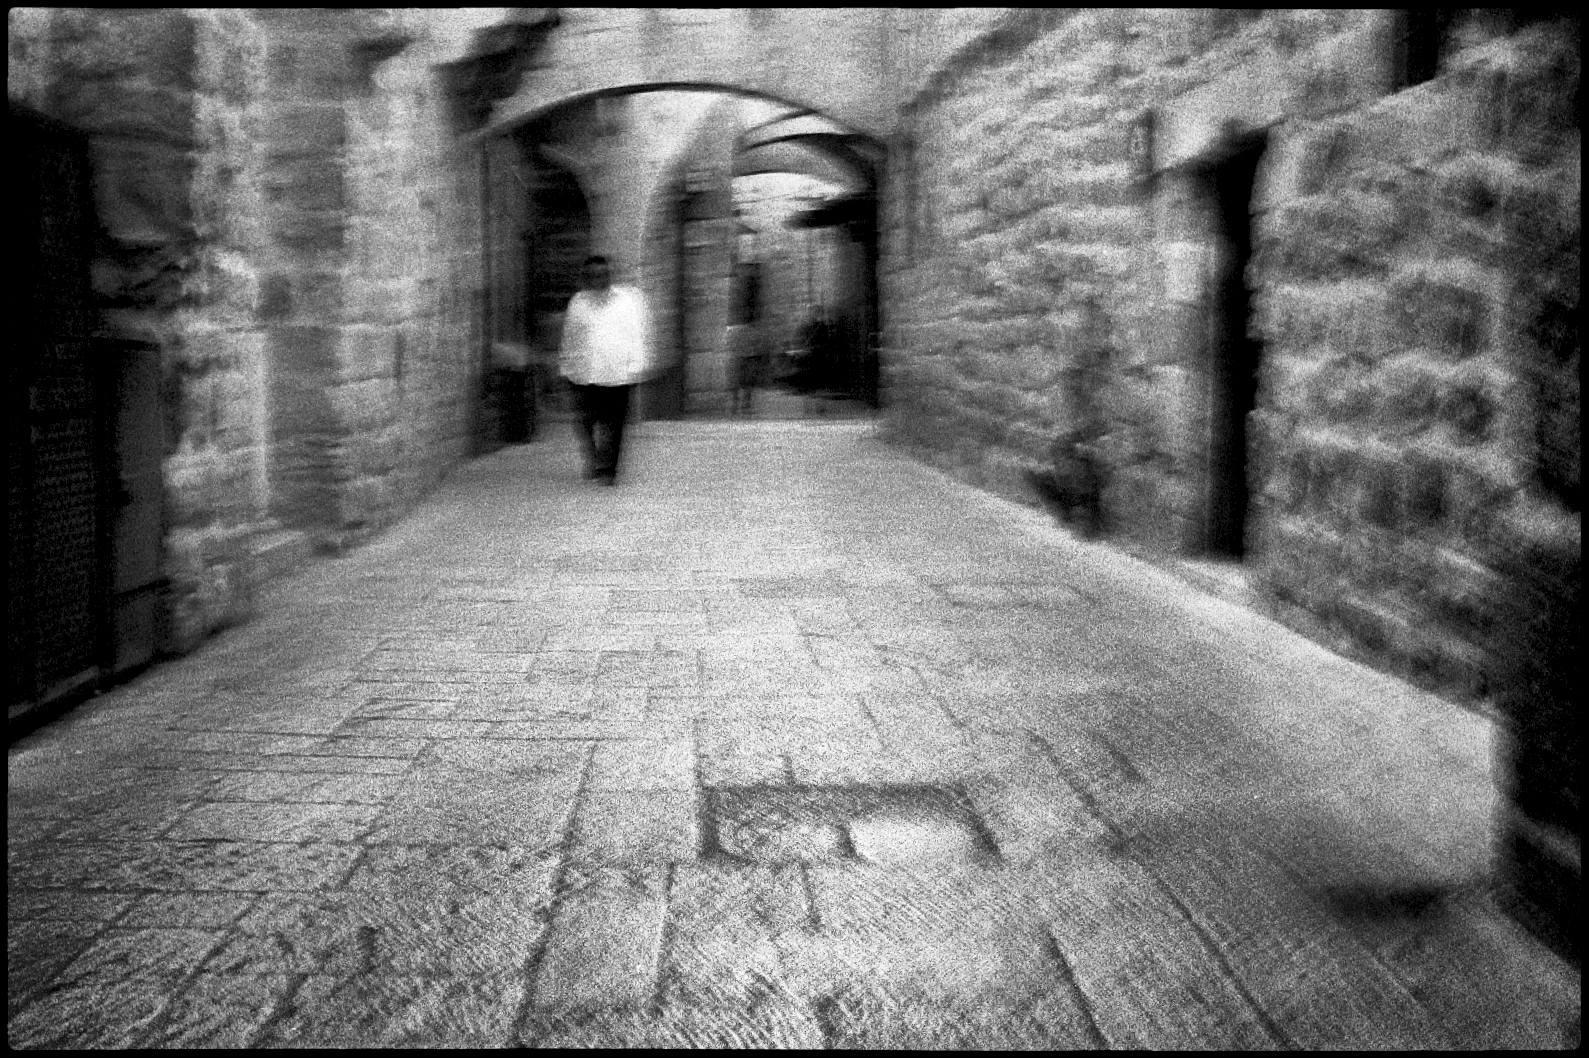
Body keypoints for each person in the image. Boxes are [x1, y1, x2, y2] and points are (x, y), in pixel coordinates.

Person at [558, 255, 651, 485]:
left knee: (616, 424)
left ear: (609, 276)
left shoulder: (627, 301)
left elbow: (637, 334)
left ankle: (610, 470)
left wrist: (637, 366)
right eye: (592, 276)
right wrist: (565, 367)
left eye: (602, 275)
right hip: (585, 374)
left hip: (618, 374)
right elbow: (570, 337)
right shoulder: (578, 303)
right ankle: (594, 458)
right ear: (586, 278)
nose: (598, 280)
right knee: (586, 421)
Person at [727, 260, 768, 417]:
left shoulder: (738, 286)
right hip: (746, 328)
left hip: (738, 328)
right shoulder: (751, 286)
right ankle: (743, 402)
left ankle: (739, 402)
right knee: (745, 368)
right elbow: (756, 308)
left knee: (739, 368)